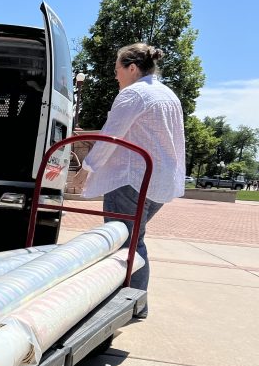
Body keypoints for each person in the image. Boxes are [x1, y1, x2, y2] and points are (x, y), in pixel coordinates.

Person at [74, 43, 185, 317]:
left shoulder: (133, 94)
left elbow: (112, 134)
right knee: (135, 240)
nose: (115, 76)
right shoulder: (168, 95)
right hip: (159, 182)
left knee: (123, 243)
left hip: (130, 179)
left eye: (117, 70)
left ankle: (127, 306)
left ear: (132, 68)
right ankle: (136, 304)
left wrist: (85, 169)